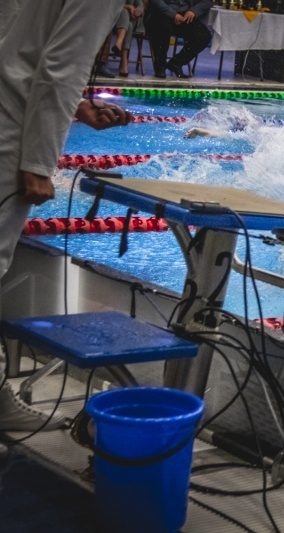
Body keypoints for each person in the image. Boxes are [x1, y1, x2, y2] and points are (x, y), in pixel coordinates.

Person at [0, 0, 133, 454]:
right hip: (9, 134)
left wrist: (74, 108)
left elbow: (18, 46)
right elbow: (61, 64)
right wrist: (38, 161)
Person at [145, 0, 212, 79]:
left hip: (185, 15)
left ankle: (176, 63)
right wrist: (173, 14)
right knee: (162, 27)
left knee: (203, 35)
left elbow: (207, 1)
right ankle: (160, 66)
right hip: (162, 13)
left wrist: (194, 11)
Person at [111, 0, 146, 77]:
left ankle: (118, 44)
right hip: (115, 21)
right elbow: (111, 5)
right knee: (124, 13)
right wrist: (127, 7)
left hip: (133, 20)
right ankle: (124, 63)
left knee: (128, 22)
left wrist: (138, 11)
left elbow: (140, 4)